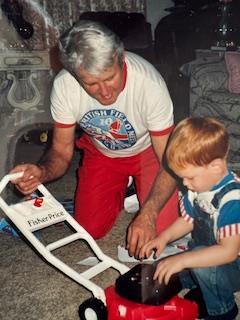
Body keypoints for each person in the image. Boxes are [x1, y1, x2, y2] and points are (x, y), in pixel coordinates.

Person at [10, 19, 179, 257]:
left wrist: (148, 213)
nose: (105, 92)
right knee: (90, 229)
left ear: (121, 59)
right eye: (91, 84)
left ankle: (137, 190)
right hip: (102, 152)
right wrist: (41, 172)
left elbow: (170, 162)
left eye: (110, 77)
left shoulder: (149, 84)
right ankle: (127, 189)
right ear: (76, 76)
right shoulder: (64, 86)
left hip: (150, 152)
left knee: (164, 230)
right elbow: (60, 152)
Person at [139, 117, 240, 319]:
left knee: (193, 264)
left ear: (216, 168)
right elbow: (188, 220)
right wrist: (164, 238)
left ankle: (223, 309)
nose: (184, 183)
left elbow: (228, 252)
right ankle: (197, 281)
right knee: (165, 267)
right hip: (202, 251)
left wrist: (183, 259)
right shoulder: (197, 188)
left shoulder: (233, 201)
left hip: (233, 265)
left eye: (189, 177)